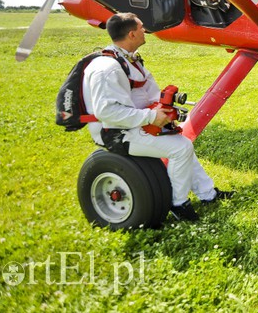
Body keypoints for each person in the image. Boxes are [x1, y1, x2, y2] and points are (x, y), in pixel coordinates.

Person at [82, 12, 234, 221]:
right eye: (142, 27)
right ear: (132, 34)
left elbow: (144, 94)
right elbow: (106, 112)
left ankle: (208, 194)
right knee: (181, 149)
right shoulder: (107, 68)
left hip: (134, 123)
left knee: (182, 144)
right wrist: (151, 117)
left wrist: (164, 110)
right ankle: (178, 204)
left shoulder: (127, 59)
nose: (146, 30)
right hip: (115, 132)